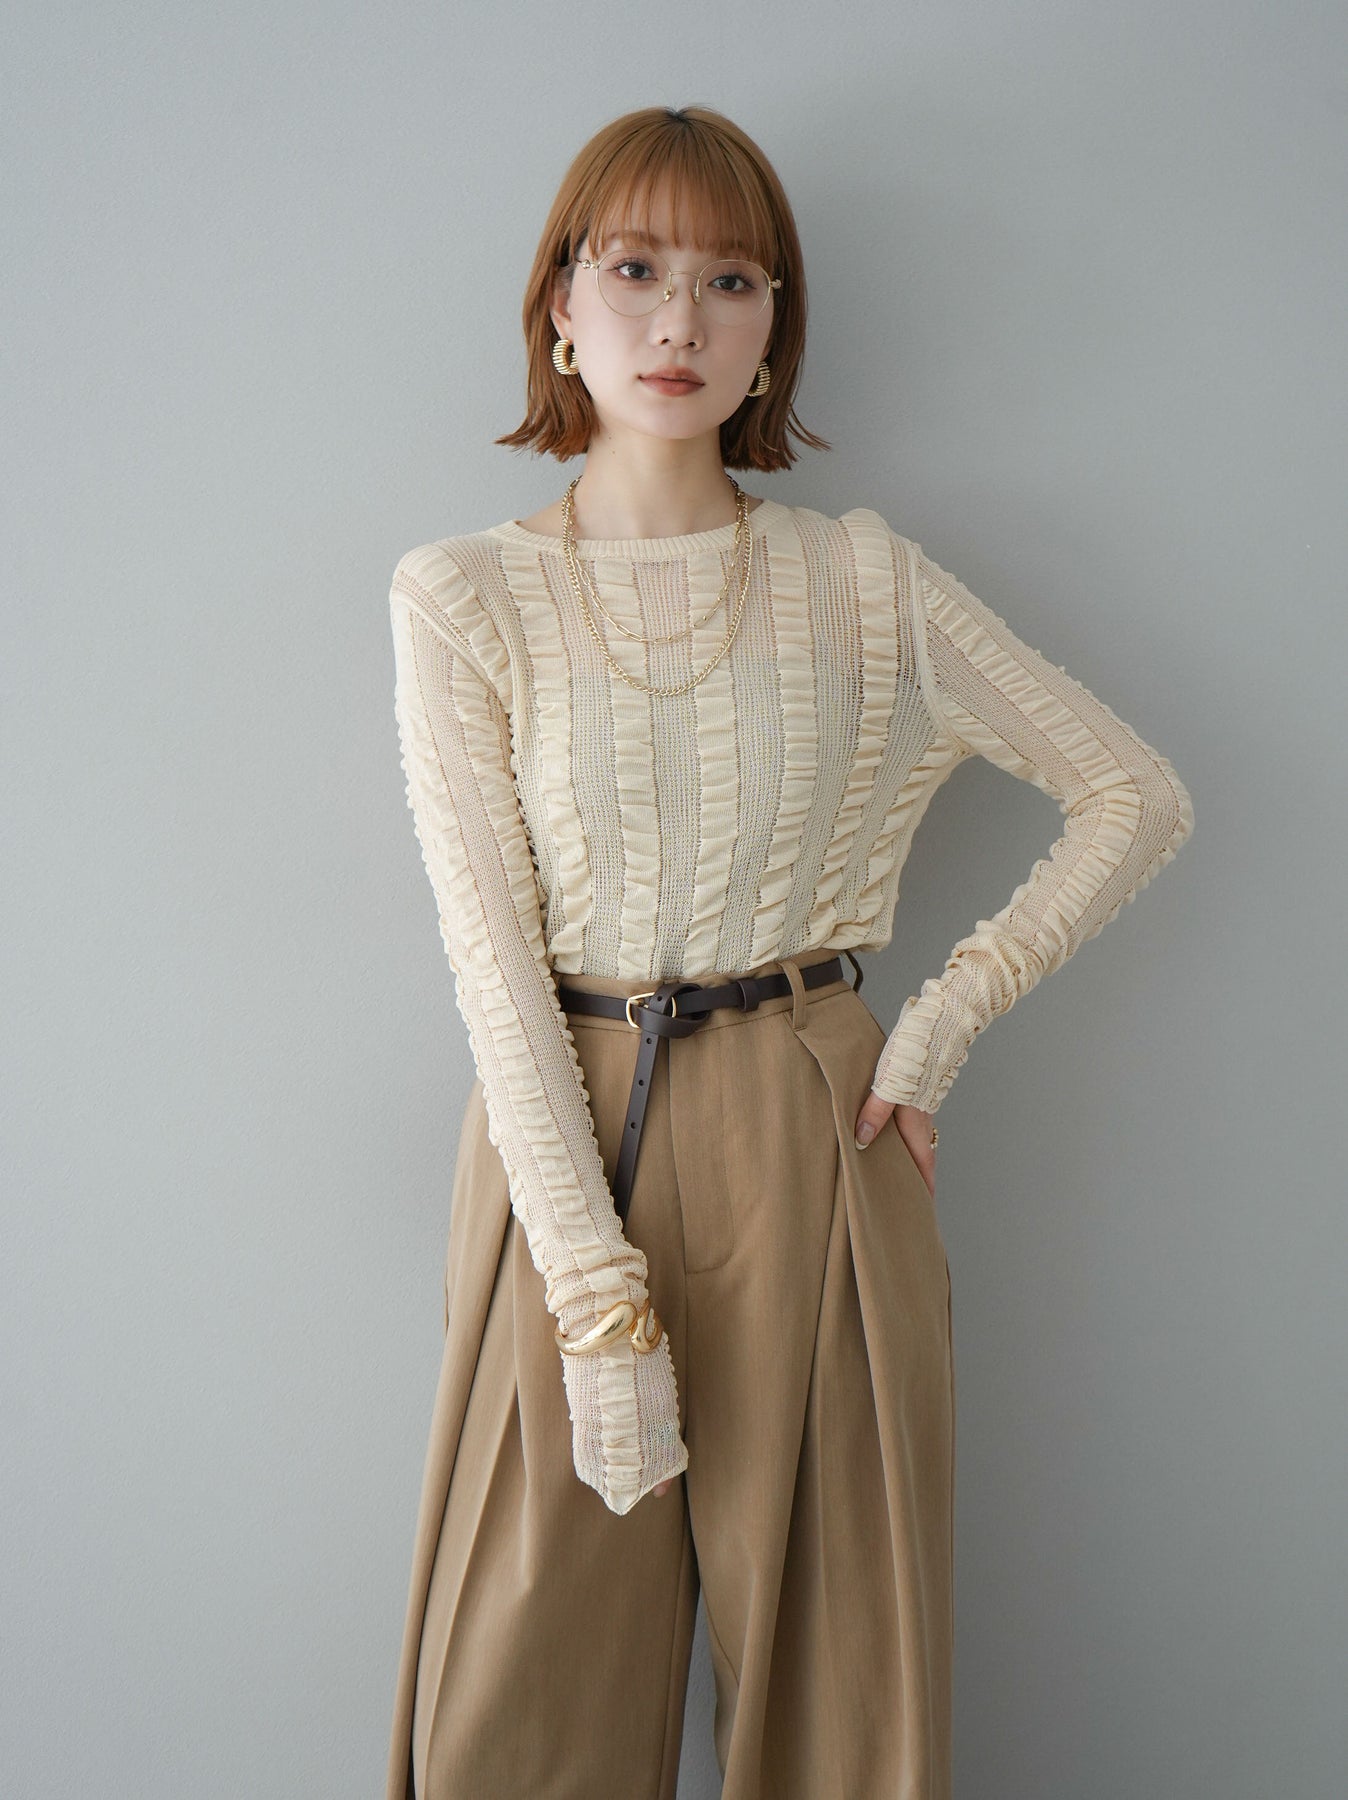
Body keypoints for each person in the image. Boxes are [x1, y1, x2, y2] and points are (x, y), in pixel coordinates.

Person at [382, 104, 1193, 1800]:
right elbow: (490, 959)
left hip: (817, 1123)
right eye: (635, 270)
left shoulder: (861, 581)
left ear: (775, 325)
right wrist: (596, 1301)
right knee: (515, 1714)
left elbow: (1134, 795)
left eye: (732, 280)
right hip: (561, 1135)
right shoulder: (462, 597)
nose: (679, 320)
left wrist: (937, 1029)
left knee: (843, 1696)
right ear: (560, 305)